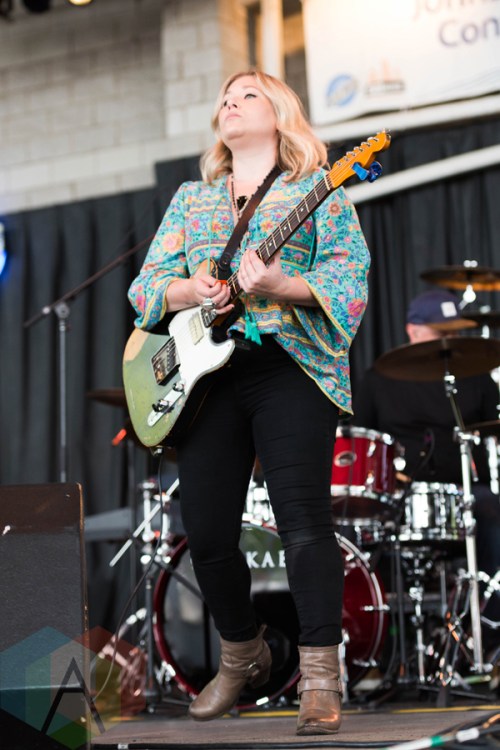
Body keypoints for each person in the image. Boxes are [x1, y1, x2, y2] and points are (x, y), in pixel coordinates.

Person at [127, 70, 370, 734]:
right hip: (210, 378)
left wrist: (284, 284)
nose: (231, 103)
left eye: (248, 95)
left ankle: (320, 678)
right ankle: (243, 652)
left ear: (281, 113)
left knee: (303, 523)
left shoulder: (317, 191)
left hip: (289, 366)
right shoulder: (192, 200)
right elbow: (146, 285)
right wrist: (190, 290)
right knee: (206, 534)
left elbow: (350, 278)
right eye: (225, 99)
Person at [352, 289, 500, 654]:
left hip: (466, 494)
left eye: (452, 331)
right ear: (413, 330)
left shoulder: (475, 376)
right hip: (400, 495)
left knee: (494, 512)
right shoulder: (380, 378)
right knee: (353, 527)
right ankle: (373, 645)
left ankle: (487, 634)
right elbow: (362, 440)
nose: (447, 340)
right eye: (439, 331)